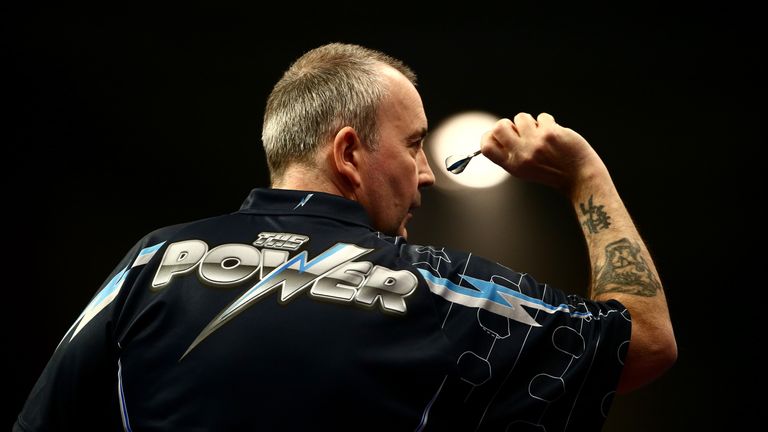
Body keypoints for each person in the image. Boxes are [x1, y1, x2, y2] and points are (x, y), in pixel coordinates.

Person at [14, 43, 676, 431]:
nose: (427, 175)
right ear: (350, 152)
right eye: (415, 145)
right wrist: (586, 176)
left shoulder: (154, 260)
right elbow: (643, 341)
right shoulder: (437, 292)